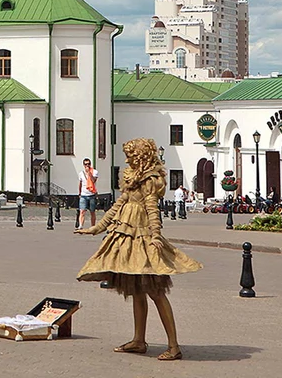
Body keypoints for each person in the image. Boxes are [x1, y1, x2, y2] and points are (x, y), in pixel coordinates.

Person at [75, 138, 202, 361]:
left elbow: (153, 209)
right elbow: (119, 204)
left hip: (142, 234)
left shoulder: (150, 179)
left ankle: (174, 346)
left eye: (131, 154)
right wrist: (96, 228)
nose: (127, 158)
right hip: (127, 233)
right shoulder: (132, 176)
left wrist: (155, 236)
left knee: (155, 291)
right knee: (137, 289)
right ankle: (139, 340)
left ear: (141, 156)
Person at [78, 158, 98, 228]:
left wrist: (89, 173)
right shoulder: (81, 173)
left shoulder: (94, 172)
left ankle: (93, 226)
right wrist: (79, 193)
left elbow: (93, 180)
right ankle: (81, 225)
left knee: (92, 211)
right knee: (82, 211)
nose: (87, 165)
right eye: (86, 164)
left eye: (89, 164)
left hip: (91, 195)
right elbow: (80, 184)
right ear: (83, 165)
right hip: (83, 195)